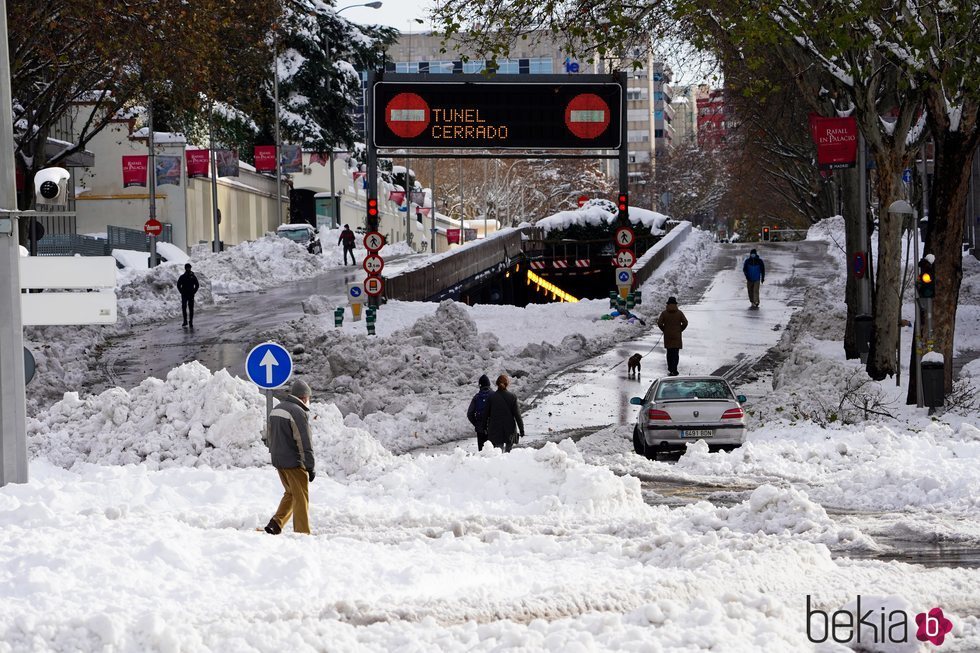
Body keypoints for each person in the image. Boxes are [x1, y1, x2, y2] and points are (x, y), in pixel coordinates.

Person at [263, 379, 316, 535]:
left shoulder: (277, 409)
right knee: (301, 497)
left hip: (278, 460)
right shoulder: (298, 412)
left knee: (291, 493)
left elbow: (270, 436)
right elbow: (304, 442)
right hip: (294, 462)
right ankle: (302, 532)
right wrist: (310, 466)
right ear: (305, 397)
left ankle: (276, 523)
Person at [484, 374, 525, 452]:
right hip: (510, 430)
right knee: (508, 453)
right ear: (507, 384)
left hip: (495, 430)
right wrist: (521, 429)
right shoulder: (512, 397)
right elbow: (517, 415)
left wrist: (484, 428)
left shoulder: (491, 397)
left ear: (497, 383)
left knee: (498, 452)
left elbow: (485, 415)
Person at [656, 297, 689, 376]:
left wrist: (664, 329)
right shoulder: (679, 313)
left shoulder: (664, 313)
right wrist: (680, 329)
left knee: (669, 353)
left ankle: (670, 368)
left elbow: (659, 323)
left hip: (668, 336)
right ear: (675, 304)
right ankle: (675, 369)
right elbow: (685, 322)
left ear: (668, 304)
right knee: (675, 354)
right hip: (677, 336)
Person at [466, 375, 494, 451]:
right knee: (494, 454)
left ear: (480, 385)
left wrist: (477, 424)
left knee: (482, 453)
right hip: (493, 429)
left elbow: (469, 414)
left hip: (481, 430)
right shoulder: (495, 395)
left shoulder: (477, 397)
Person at [176, 263, 199, 328]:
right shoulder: (182, 276)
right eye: (187, 268)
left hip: (191, 294)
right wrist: (181, 292)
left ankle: (191, 321)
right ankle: (185, 321)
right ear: (185, 268)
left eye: (189, 268)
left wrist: (194, 292)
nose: (188, 269)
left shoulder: (193, 276)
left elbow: (197, 285)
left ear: (190, 268)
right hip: (184, 294)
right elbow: (178, 285)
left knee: (191, 308)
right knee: (184, 307)